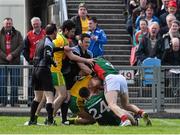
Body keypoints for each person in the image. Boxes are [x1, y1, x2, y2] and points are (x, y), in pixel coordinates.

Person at [92, 57, 152, 126]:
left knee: (112, 104)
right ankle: (142, 113)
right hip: (120, 77)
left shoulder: (93, 62)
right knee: (126, 105)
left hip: (110, 78)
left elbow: (88, 72)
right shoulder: (105, 62)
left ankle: (125, 120)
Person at [25, 23, 58, 125]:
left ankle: (32, 120)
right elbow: (47, 55)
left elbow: (47, 50)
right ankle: (50, 121)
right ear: (54, 32)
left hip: (35, 70)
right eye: (56, 31)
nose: (57, 33)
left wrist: (61, 48)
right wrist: (54, 63)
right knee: (49, 96)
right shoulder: (48, 42)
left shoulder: (41, 41)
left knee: (37, 97)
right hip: (44, 70)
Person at [0, 17, 23, 107]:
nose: (8, 25)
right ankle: (3, 102)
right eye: (7, 23)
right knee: (2, 83)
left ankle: (14, 102)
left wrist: (12, 55)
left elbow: (21, 45)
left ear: (12, 24)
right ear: (3, 24)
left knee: (15, 82)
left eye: (10, 23)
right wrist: (5, 56)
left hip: (14, 62)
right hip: (2, 63)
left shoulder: (18, 34)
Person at [23, 17, 46, 105]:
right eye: (34, 24)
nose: (36, 25)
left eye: (37, 23)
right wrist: (29, 60)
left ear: (40, 23)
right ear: (32, 25)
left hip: (44, 62)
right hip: (34, 62)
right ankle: (30, 99)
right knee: (32, 81)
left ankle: (43, 100)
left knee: (44, 82)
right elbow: (25, 49)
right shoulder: (29, 35)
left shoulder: (45, 33)